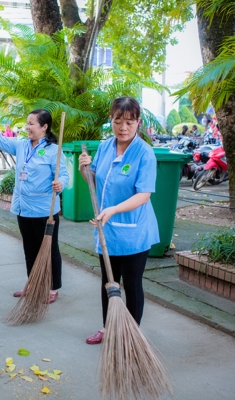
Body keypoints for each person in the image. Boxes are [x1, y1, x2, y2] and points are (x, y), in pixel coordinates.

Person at [78, 97, 159, 345]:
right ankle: (108, 327)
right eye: (118, 121)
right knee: (109, 282)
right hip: (108, 230)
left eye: (129, 122)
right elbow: (95, 182)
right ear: (111, 121)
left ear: (138, 123)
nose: (123, 127)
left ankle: (132, 334)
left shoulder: (145, 153)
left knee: (132, 284)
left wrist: (113, 210)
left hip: (134, 231)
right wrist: (84, 171)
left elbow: (143, 195)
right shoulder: (105, 147)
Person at [0, 110, 69, 304]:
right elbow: (1, 141)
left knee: (49, 249)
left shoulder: (53, 150)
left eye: (31, 124)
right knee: (30, 248)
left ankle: (52, 287)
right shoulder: (22, 145)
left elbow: (64, 175)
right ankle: (33, 283)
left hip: (44, 210)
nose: (27, 127)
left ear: (44, 127)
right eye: (27, 123)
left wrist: (60, 184)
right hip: (23, 208)